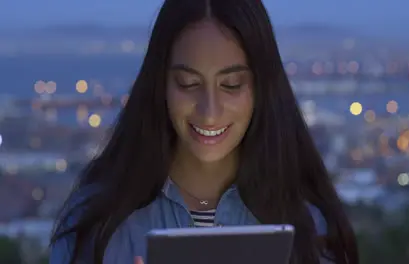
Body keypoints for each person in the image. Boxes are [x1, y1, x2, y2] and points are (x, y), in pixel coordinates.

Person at [49, 0, 358, 263]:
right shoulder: (95, 227)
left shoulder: (310, 227)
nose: (209, 111)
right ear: (161, 86)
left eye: (231, 85)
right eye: (188, 84)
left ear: (261, 88)